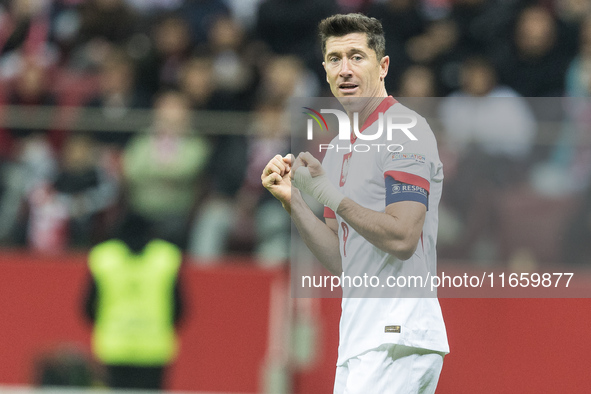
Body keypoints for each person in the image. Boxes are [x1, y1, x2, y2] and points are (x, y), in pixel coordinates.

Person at [261, 13, 449, 393]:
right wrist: (294, 202)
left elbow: (403, 236)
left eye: (356, 56)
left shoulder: (405, 132)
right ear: (325, 70)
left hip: (398, 334)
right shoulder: (339, 147)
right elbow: (341, 260)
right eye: (334, 58)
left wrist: (332, 196)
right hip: (361, 339)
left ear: (382, 67)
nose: (345, 69)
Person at [83, 213, 184, 390]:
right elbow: (180, 308)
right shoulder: (166, 258)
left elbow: (87, 307)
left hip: (114, 346)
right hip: (154, 347)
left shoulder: (104, 258)